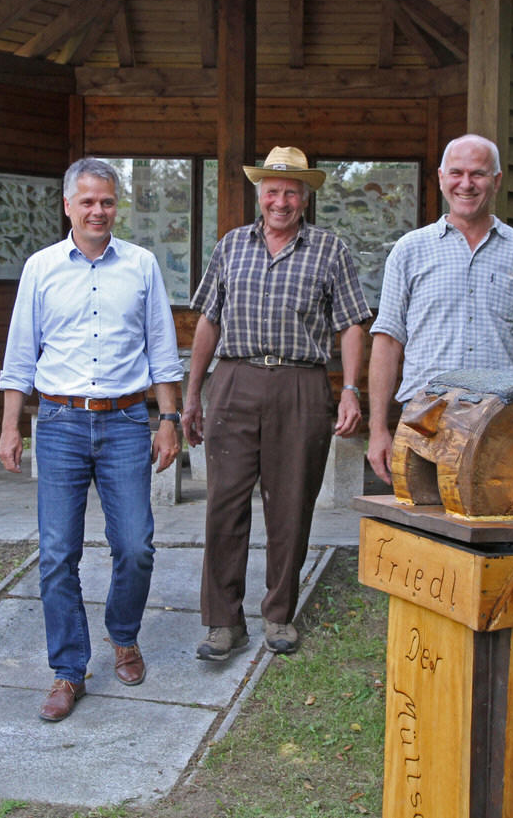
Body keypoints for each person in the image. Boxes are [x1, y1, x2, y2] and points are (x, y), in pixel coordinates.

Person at [0, 157, 184, 722]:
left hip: (127, 421)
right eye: (87, 202)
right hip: (59, 423)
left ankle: (123, 635)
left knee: (136, 545)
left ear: (115, 205)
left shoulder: (143, 265)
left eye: (106, 201)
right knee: (58, 553)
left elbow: (161, 347)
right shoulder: (41, 267)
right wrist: (10, 426)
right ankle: (67, 669)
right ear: (68, 206)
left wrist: (169, 419)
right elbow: (20, 354)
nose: (98, 211)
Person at [182, 146, 371, 660]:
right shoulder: (230, 246)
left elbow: (351, 323)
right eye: (272, 190)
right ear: (258, 194)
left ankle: (279, 614)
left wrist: (350, 388)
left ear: (304, 197)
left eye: (290, 191)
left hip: (301, 385)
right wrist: (192, 394)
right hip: (235, 380)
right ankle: (224, 622)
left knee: (289, 504)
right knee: (224, 503)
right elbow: (208, 322)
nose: (280, 201)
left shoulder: (330, 250)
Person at [367, 133, 513, 484]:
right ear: (442, 177)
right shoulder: (409, 250)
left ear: (497, 181)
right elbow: (387, 341)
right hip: (424, 420)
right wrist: (377, 428)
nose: (466, 184)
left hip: (504, 421)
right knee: (423, 531)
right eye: (456, 173)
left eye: (478, 174)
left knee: (500, 528)